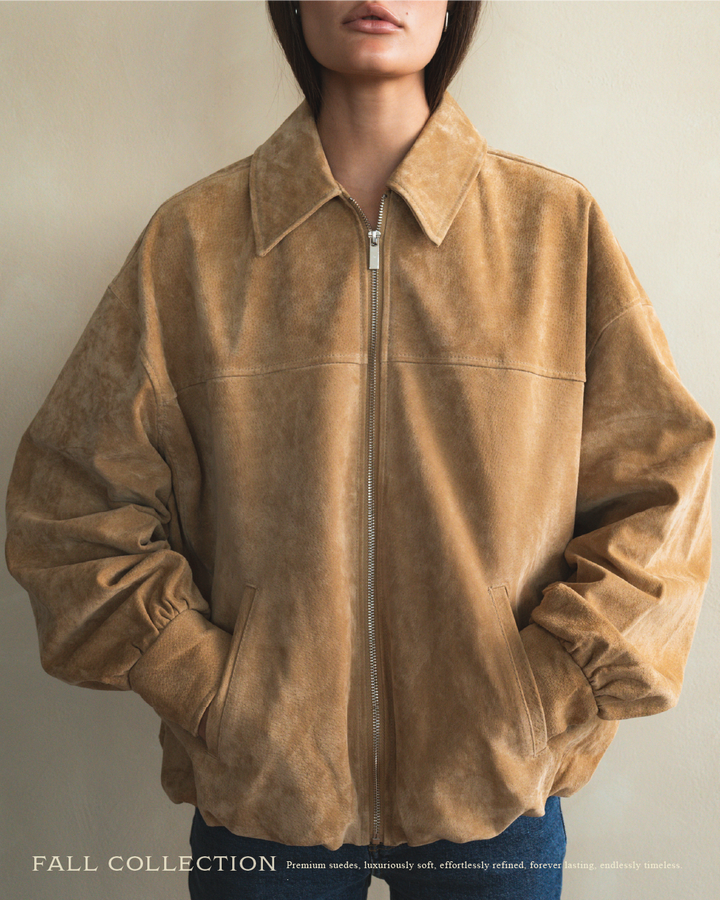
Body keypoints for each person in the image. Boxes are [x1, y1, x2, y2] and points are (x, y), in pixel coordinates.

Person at [5, 1, 714, 898]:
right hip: (266, 807)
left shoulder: (554, 232)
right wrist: (218, 696)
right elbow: (68, 505)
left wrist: (542, 696)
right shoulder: (193, 244)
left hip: (492, 801)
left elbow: (668, 490)